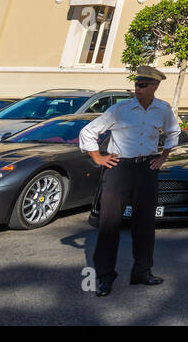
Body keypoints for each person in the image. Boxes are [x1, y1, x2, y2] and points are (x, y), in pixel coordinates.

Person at [78, 65, 181, 297]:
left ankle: (142, 272)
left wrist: (163, 157)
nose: (138, 89)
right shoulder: (120, 109)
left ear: (155, 86)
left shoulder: (163, 109)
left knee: (145, 224)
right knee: (109, 224)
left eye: (143, 85)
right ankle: (105, 277)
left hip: (147, 169)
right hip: (119, 168)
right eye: (136, 84)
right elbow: (88, 132)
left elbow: (174, 132)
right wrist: (98, 157)